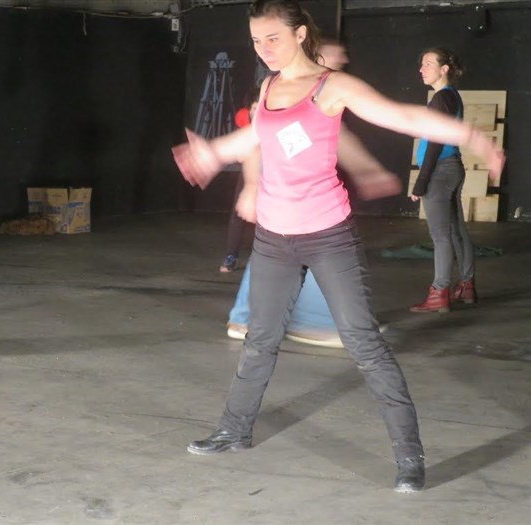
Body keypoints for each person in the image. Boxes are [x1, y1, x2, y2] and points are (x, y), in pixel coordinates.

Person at [172, 0, 504, 493]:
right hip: (274, 239)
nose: (263, 49)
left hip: (328, 237)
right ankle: (233, 430)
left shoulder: (331, 87)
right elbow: (255, 139)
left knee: (363, 342)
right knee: (261, 339)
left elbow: (402, 117)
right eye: (256, 41)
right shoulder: (268, 87)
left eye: (273, 38)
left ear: (299, 34)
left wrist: (471, 136)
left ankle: (409, 457)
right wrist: (214, 152)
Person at [226, 38, 400, 348]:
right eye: (335, 56)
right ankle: (263, 319)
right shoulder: (283, 91)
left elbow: (339, 140)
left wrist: (369, 171)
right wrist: (251, 187)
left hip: (301, 198)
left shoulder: (323, 96)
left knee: (296, 252)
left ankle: (287, 320)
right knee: (287, 252)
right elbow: (255, 142)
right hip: (281, 192)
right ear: (315, 56)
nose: (341, 62)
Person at [409, 48, 475, 313]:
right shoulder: (451, 96)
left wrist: (421, 182)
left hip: (440, 171)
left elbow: (435, 142)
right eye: (421, 64)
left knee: (441, 235)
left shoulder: (442, 98)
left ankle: (439, 292)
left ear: (444, 69)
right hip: (452, 168)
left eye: (428, 63)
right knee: (456, 230)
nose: (421, 69)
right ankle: (466, 286)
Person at [219, 89, 261, 272]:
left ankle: (266, 258)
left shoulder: (274, 121)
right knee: (238, 213)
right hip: (250, 172)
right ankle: (231, 255)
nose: (256, 111)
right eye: (254, 108)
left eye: (260, 108)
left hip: (273, 173)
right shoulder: (244, 119)